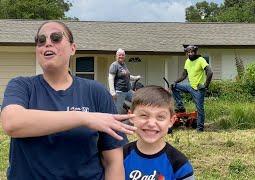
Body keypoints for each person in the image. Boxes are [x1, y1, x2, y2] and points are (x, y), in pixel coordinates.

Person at [0, 21, 137, 180]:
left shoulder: (96, 92)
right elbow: (12, 123)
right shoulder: (22, 86)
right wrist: (84, 117)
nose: (47, 43)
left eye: (56, 38)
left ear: (73, 48)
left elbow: (113, 162)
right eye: (41, 40)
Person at [123, 86, 195, 180]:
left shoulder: (179, 165)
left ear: (171, 121)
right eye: (144, 115)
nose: (152, 124)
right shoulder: (119, 156)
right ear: (131, 117)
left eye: (160, 117)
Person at [171, 45, 213, 132]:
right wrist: (175, 82)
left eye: (192, 52)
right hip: (190, 86)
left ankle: (200, 129)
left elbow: (210, 72)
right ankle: (180, 107)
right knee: (174, 87)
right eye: (188, 52)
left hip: (198, 89)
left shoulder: (201, 60)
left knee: (199, 109)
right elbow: (184, 75)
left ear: (195, 52)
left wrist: (205, 85)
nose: (190, 54)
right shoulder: (187, 61)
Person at [108, 48, 141, 114]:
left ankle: (134, 115)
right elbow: (110, 78)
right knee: (118, 110)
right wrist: (112, 92)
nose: (121, 56)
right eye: (119, 55)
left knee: (137, 100)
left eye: (123, 55)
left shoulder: (123, 65)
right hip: (119, 92)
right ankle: (116, 123)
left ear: (124, 56)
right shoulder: (114, 65)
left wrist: (135, 77)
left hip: (128, 91)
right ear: (116, 56)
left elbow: (127, 76)